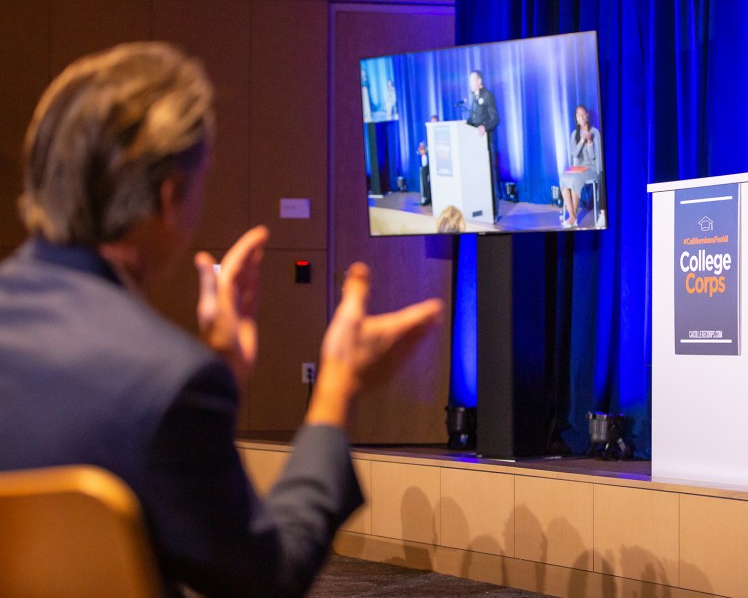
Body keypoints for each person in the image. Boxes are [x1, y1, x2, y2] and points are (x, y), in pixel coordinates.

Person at [0, 42, 444, 596]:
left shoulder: (174, 383)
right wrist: (337, 385)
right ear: (169, 197)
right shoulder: (166, 381)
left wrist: (222, 374)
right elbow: (264, 579)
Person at [558, 105, 603, 228]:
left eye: (583, 114)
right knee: (563, 177)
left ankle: (572, 218)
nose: (581, 117)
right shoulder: (574, 134)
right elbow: (575, 153)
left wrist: (589, 142)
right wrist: (582, 140)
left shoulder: (595, 132)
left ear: (587, 116)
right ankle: (573, 216)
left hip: (592, 168)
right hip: (578, 168)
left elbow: (594, 157)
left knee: (575, 179)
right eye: (578, 115)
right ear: (576, 118)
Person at [465, 69, 500, 221]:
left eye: (473, 80)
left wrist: (484, 126)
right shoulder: (473, 97)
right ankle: (479, 208)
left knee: (490, 176)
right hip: (475, 145)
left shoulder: (488, 95)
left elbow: (495, 118)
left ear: (480, 81)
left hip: (487, 142)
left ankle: (493, 212)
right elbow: (472, 119)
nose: (471, 84)